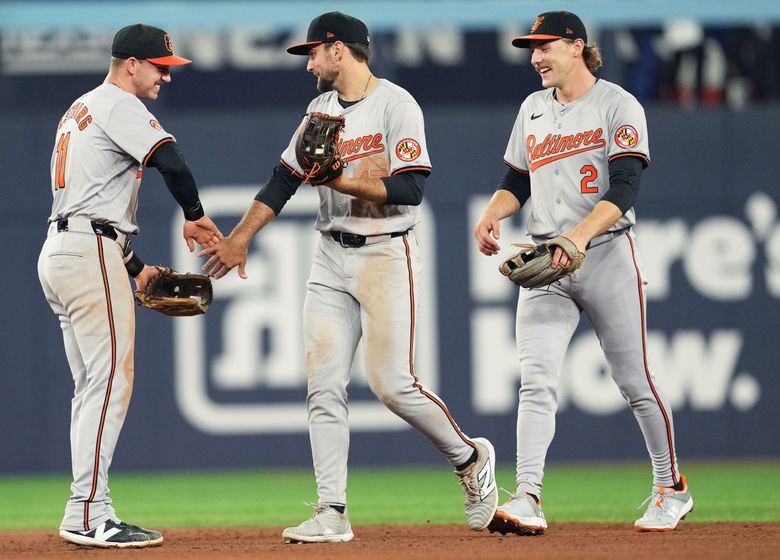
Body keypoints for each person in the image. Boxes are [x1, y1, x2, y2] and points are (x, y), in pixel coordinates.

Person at [201, 11, 498, 543]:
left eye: (313, 52)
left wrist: (339, 177)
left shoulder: (396, 104)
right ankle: (332, 512)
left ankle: (470, 456)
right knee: (323, 383)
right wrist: (242, 235)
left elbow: (410, 189)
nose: (309, 62)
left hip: (386, 253)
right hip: (329, 255)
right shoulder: (318, 110)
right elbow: (282, 181)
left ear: (339, 50)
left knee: (393, 386)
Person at [472, 11, 693, 534]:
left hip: (607, 255)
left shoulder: (618, 104)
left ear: (576, 46)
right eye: (532, 48)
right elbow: (516, 180)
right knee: (536, 382)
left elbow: (624, 189)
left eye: (544, 46)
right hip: (549, 263)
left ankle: (671, 487)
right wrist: (492, 213)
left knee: (635, 381)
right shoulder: (532, 109)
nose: (535, 57)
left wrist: (579, 236)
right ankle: (527, 496)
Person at [38, 23, 222, 548]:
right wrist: (195, 215)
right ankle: (90, 514)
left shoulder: (82, 106)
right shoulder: (120, 103)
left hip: (66, 249)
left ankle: (85, 506)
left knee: (91, 387)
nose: (166, 76)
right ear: (131, 64)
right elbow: (172, 162)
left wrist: (137, 267)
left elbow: (92, 202)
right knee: (110, 383)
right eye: (160, 67)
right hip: (88, 251)